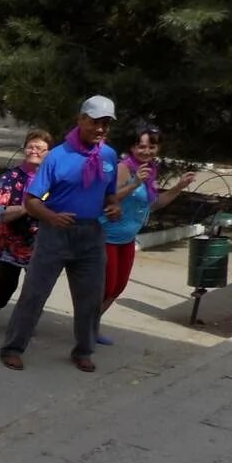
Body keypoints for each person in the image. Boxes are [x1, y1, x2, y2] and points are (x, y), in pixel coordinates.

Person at [0, 96, 124, 373]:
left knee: (91, 298)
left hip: (91, 236)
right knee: (34, 294)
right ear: (81, 120)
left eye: (106, 124)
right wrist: (52, 217)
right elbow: (32, 201)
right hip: (55, 233)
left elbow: (109, 194)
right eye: (95, 122)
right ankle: (13, 347)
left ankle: (84, 350)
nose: (101, 129)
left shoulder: (109, 156)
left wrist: (113, 205)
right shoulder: (57, 156)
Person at [95, 124, 195, 344]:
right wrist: (135, 183)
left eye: (152, 147)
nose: (146, 151)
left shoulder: (150, 171)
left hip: (128, 239)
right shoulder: (123, 168)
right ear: (132, 147)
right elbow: (106, 199)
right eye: (141, 146)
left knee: (118, 288)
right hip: (107, 237)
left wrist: (179, 186)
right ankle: (85, 328)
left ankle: (91, 326)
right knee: (107, 287)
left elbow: (155, 204)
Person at [0, 130, 52, 335]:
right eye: (31, 146)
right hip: (9, 242)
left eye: (40, 148)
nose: (34, 151)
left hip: (41, 243)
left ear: (49, 153)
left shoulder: (53, 178)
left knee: (36, 287)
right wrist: (28, 208)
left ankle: (26, 322)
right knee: (7, 282)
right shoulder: (11, 177)